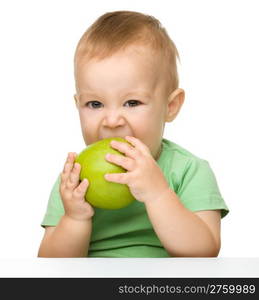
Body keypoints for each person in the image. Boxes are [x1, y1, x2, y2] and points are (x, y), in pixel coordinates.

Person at [38, 10, 229, 258]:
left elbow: (203, 252)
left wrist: (157, 194)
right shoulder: (74, 180)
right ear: (78, 105)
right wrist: (75, 217)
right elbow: (50, 267)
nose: (112, 121)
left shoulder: (189, 171)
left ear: (170, 107)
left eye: (132, 103)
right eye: (95, 104)